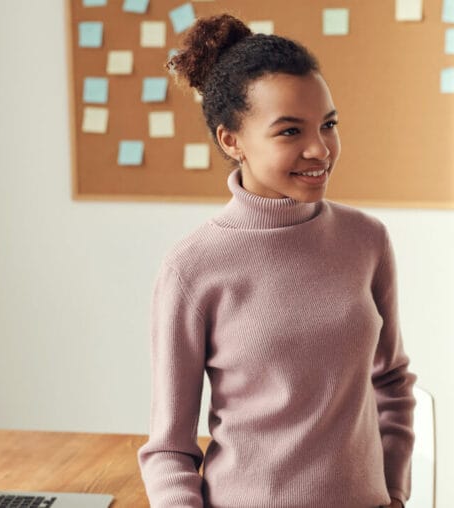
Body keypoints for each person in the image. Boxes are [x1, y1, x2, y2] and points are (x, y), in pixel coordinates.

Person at [136, 14, 415, 508]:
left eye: (328, 125)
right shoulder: (192, 269)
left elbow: (391, 382)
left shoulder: (365, 240)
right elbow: (168, 450)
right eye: (289, 131)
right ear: (231, 140)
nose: (320, 149)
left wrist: (393, 493)